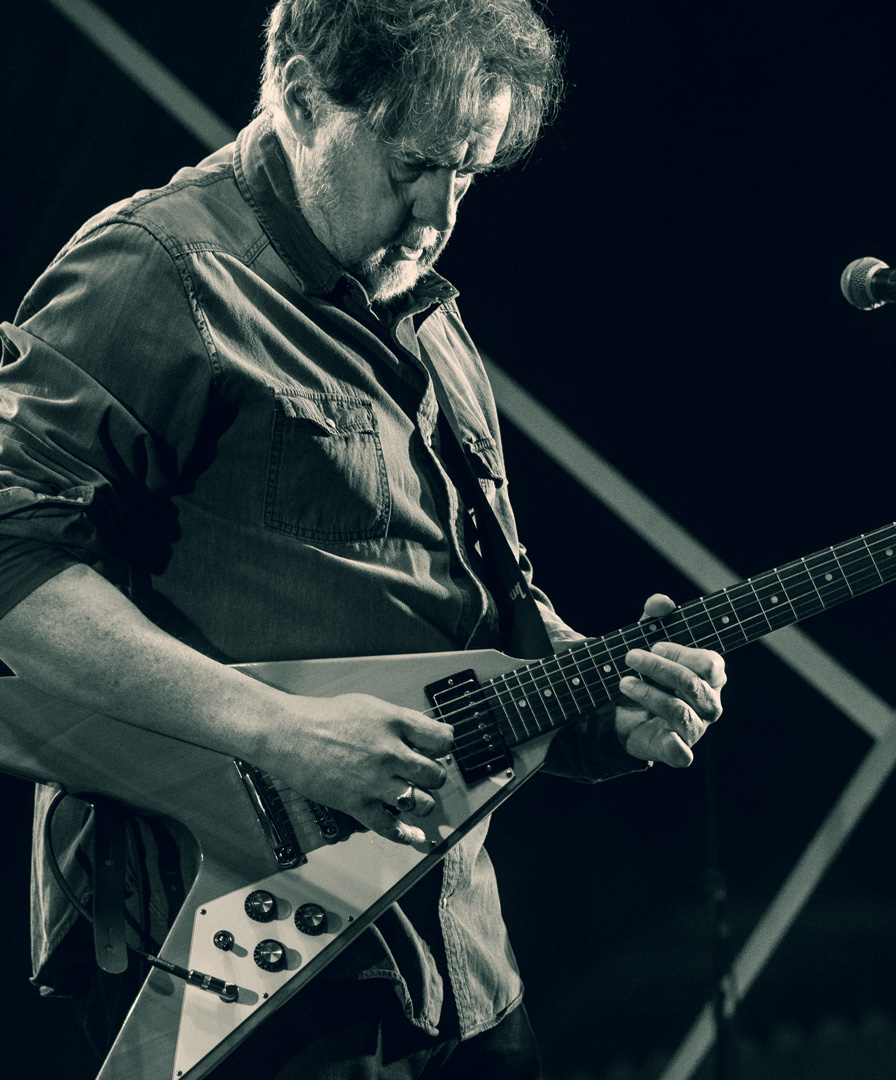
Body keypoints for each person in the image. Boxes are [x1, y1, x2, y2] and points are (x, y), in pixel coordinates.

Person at [0, 1, 726, 1076]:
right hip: (230, 945)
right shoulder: (159, 268)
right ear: (300, 97)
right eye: (414, 163)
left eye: (468, 174)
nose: (438, 212)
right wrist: (283, 732)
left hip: (456, 956)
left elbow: (485, 622)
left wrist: (600, 699)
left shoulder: (428, 317)